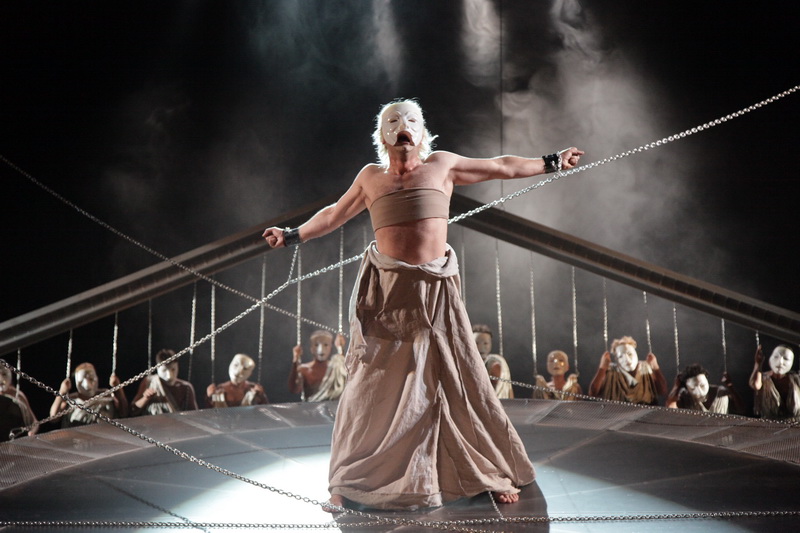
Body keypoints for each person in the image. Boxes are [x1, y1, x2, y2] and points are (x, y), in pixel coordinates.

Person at [263, 98, 583, 510]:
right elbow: (333, 215)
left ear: (422, 131)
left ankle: (486, 471)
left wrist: (552, 161)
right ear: (383, 135)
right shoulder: (371, 177)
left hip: (436, 293)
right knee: (368, 386)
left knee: (458, 378)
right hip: (387, 295)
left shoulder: (442, 166)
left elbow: (501, 166)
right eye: (393, 120)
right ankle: (346, 482)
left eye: (411, 119)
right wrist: (292, 235)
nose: (403, 125)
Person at [588, 336, 667, 405]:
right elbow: (593, 392)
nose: (627, 360)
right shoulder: (610, 371)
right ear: (616, 360)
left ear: (636, 354)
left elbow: (663, 391)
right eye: (621, 357)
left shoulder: (646, 367)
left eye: (630, 354)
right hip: (617, 414)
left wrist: (655, 367)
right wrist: (602, 368)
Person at [49, 362, 129, 428]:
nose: (87, 385)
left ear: (96, 377)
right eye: (81, 381)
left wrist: (118, 388)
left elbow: (124, 413)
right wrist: (62, 392)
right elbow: (53, 418)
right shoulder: (70, 400)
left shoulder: (108, 395)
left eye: (91, 379)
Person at [131, 349, 198, 415]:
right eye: (164, 370)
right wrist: (145, 398)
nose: (169, 376)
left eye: (173, 369)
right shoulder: (149, 381)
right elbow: (132, 411)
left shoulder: (186, 387)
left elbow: (194, 415)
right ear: (157, 368)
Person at [288, 330, 348, 402]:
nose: (321, 349)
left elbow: (345, 381)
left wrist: (341, 349)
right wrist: (295, 360)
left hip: (333, 408)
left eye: (325, 345)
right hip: (311, 408)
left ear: (331, 347)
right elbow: (294, 389)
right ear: (311, 348)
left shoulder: (336, 367)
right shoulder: (304, 369)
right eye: (316, 345)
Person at [666, 363, 744, 414]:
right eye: (693, 388)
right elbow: (670, 409)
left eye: (702, 385)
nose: (699, 390)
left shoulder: (721, 392)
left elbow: (741, 409)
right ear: (687, 388)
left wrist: (730, 386)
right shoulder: (685, 396)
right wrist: (677, 386)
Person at [749, 344, 800, 422]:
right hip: (770, 425)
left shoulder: (796, 379)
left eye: (786, 359)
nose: (780, 362)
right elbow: (755, 385)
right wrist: (758, 364)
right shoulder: (764, 378)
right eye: (776, 357)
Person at [472, 324, 514, 399]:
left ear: (490, 344)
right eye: (477, 343)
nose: (481, 347)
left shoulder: (495, 365)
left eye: (485, 343)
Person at [0, 362, 38, 440]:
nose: (1, 378)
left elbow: (34, 422)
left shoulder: (18, 395)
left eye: (4, 374)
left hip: (19, 439)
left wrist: (32, 432)